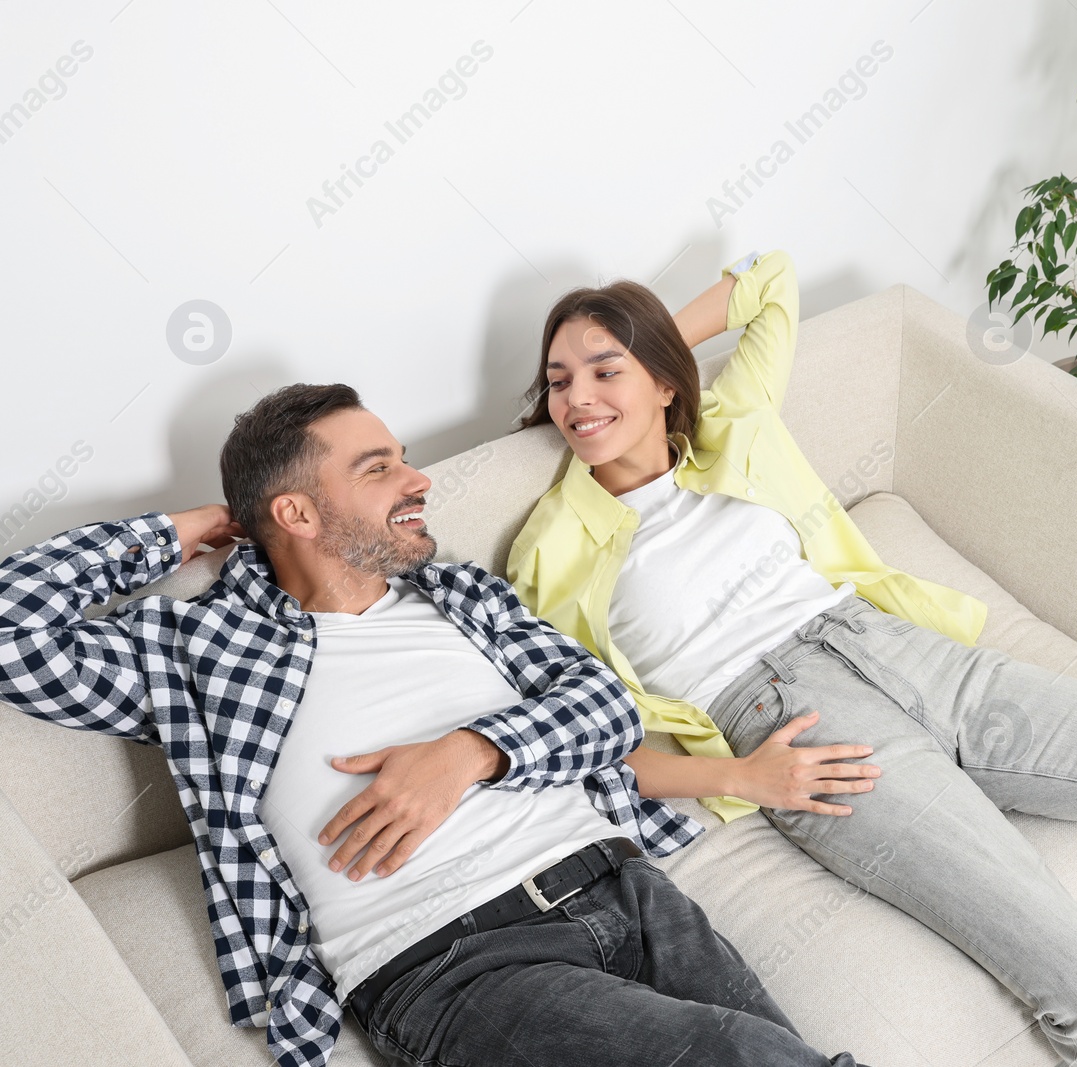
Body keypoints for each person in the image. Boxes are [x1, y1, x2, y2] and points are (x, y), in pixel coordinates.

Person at [506, 249, 1077, 1067]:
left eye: (606, 371)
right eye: (559, 380)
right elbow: (584, 743)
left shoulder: (732, 424)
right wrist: (740, 779)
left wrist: (643, 337)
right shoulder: (551, 546)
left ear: (667, 380)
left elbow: (773, 280)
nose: (579, 398)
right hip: (798, 724)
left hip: (903, 650)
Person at [0, 383, 865, 1067]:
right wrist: (173, 531)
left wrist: (473, 753)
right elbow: (11, 632)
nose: (419, 481)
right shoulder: (196, 650)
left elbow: (603, 706)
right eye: (378, 468)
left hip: (625, 889)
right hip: (448, 962)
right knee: (738, 1055)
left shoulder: (462, 596)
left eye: (405, 460)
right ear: (295, 513)